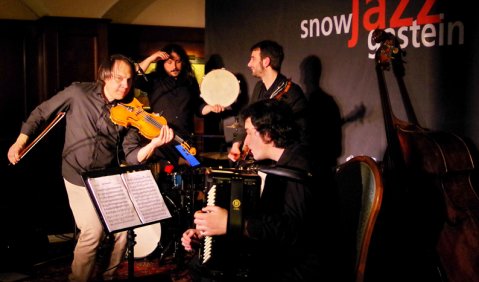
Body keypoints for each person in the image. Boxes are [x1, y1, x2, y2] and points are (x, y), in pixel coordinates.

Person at [7, 54, 175, 282]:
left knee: (123, 231)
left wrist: (154, 143)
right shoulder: (78, 93)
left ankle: (108, 276)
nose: (125, 85)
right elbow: (41, 113)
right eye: (118, 78)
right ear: (105, 75)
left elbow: (133, 156)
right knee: (93, 232)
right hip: (76, 175)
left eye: (129, 80)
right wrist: (20, 141)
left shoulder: (132, 110)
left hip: (106, 177)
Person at [181, 99, 339, 281]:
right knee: (200, 265)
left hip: (299, 267)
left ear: (267, 134)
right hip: (280, 253)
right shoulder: (281, 163)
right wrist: (208, 229)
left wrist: (232, 224)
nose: (245, 141)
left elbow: (292, 230)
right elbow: (265, 217)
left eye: (248, 132)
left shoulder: (302, 165)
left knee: (211, 272)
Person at [135, 43, 224, 166]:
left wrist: (210, 108)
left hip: (184, 140)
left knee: (192, 167)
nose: (174, 66)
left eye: (178, 61)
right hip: (161, 139)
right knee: (165, 174)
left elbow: (198, 108)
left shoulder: (190, 81)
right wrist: (150, 59)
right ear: (162, 63)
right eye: (169, 62)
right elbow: (133, 77)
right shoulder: (154, 79)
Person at [228, 40, 309, 163]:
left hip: (281, 163)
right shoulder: (258, 87)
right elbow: (247, 120)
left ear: (266, 62)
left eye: (253, 59)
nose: (249, 64)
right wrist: (236, 145)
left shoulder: (291, 92)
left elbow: (299, 136)